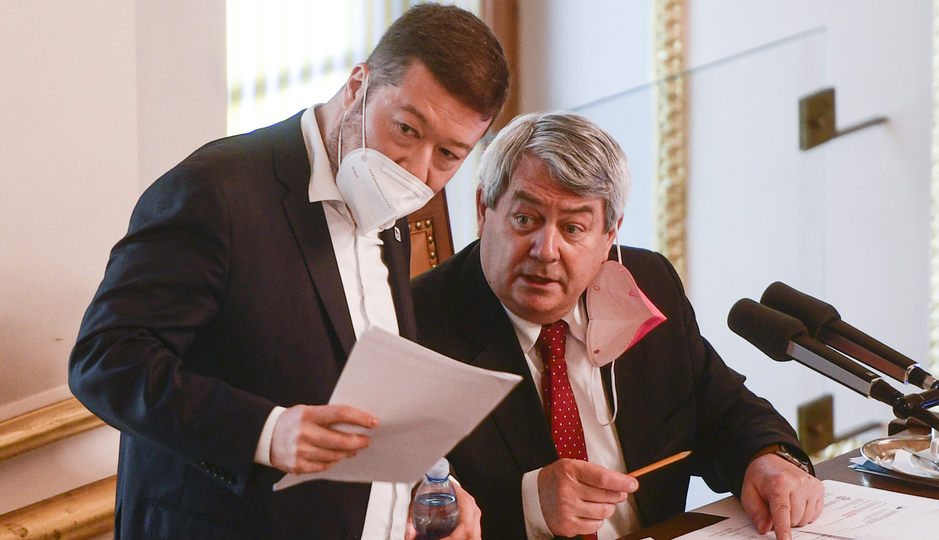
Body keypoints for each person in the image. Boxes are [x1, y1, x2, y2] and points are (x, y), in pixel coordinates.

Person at [67, 5, 509, 540]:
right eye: (406, 129)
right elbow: (105, 361)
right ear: (358, 86)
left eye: (448, 155)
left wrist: (430, 480)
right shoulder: (216, 192)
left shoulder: (388, 204)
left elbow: (366, 387)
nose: (416, 170)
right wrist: (266, 431)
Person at [411, 111, 824, 540]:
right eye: (525, 220)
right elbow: (398, 504)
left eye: (573, 228)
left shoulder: (648, 283)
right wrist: (529, 504)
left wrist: (767, 457)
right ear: (484, 209)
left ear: (610, 235)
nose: (546, 250)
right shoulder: (417, 325)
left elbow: (721, 410)